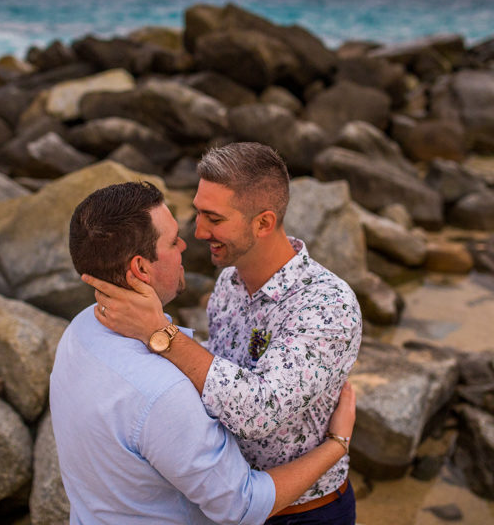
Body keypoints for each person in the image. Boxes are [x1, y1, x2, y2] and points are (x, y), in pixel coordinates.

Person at [83, 142, 363, 523]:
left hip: (303, 512)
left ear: (263, 223)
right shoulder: (230, 280)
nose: (197, 232)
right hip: (225, 502)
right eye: (198, 212)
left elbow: (258, 411)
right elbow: (215, 366)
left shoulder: (327, 305)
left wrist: (160, 333)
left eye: (213, 218)